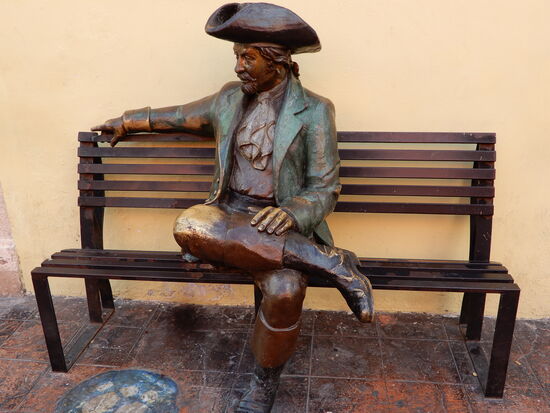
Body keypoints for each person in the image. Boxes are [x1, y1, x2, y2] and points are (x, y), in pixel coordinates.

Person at [92, 3, 374, 412]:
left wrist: (292, 213)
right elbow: (178, 116)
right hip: (226, 215)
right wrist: (127, 121)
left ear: (277, 62)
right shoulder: (228, 98)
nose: (239, 67)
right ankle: (332, 263)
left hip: (280, 225)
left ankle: (262, 384)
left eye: (248, 58)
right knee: (190, 224)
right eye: (237, 57)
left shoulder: (315, 109)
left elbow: (325, 187)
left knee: (285, 289)